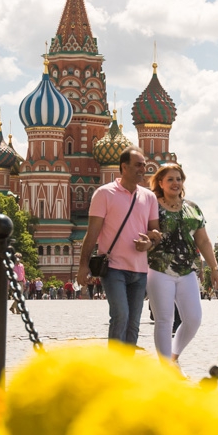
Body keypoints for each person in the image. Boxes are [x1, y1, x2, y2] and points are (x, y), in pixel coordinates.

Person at [78, 146, 160, 346]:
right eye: (138, 165)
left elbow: (156, 233)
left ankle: (128, 363)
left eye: (144, 165)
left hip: (140, 270)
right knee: (120, 315)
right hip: (113, 268)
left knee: (133, 323)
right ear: (124, 167)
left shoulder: (149, 197)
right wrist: (83, 265)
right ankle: (114, 363)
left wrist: (149, 243)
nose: (143, 169)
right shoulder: (104, 194)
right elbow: (92, 232)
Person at [145, 164, 218, 364]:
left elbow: (203, 240)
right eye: (170, 179)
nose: (175, 183)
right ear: (160, 183)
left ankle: (173, 357)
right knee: (164, 320)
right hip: (159, 268)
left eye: (178, 179)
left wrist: (214, 268)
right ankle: (166, 368)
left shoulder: (192, 208)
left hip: (187, 270)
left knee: (193, 319)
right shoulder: (152, 205)